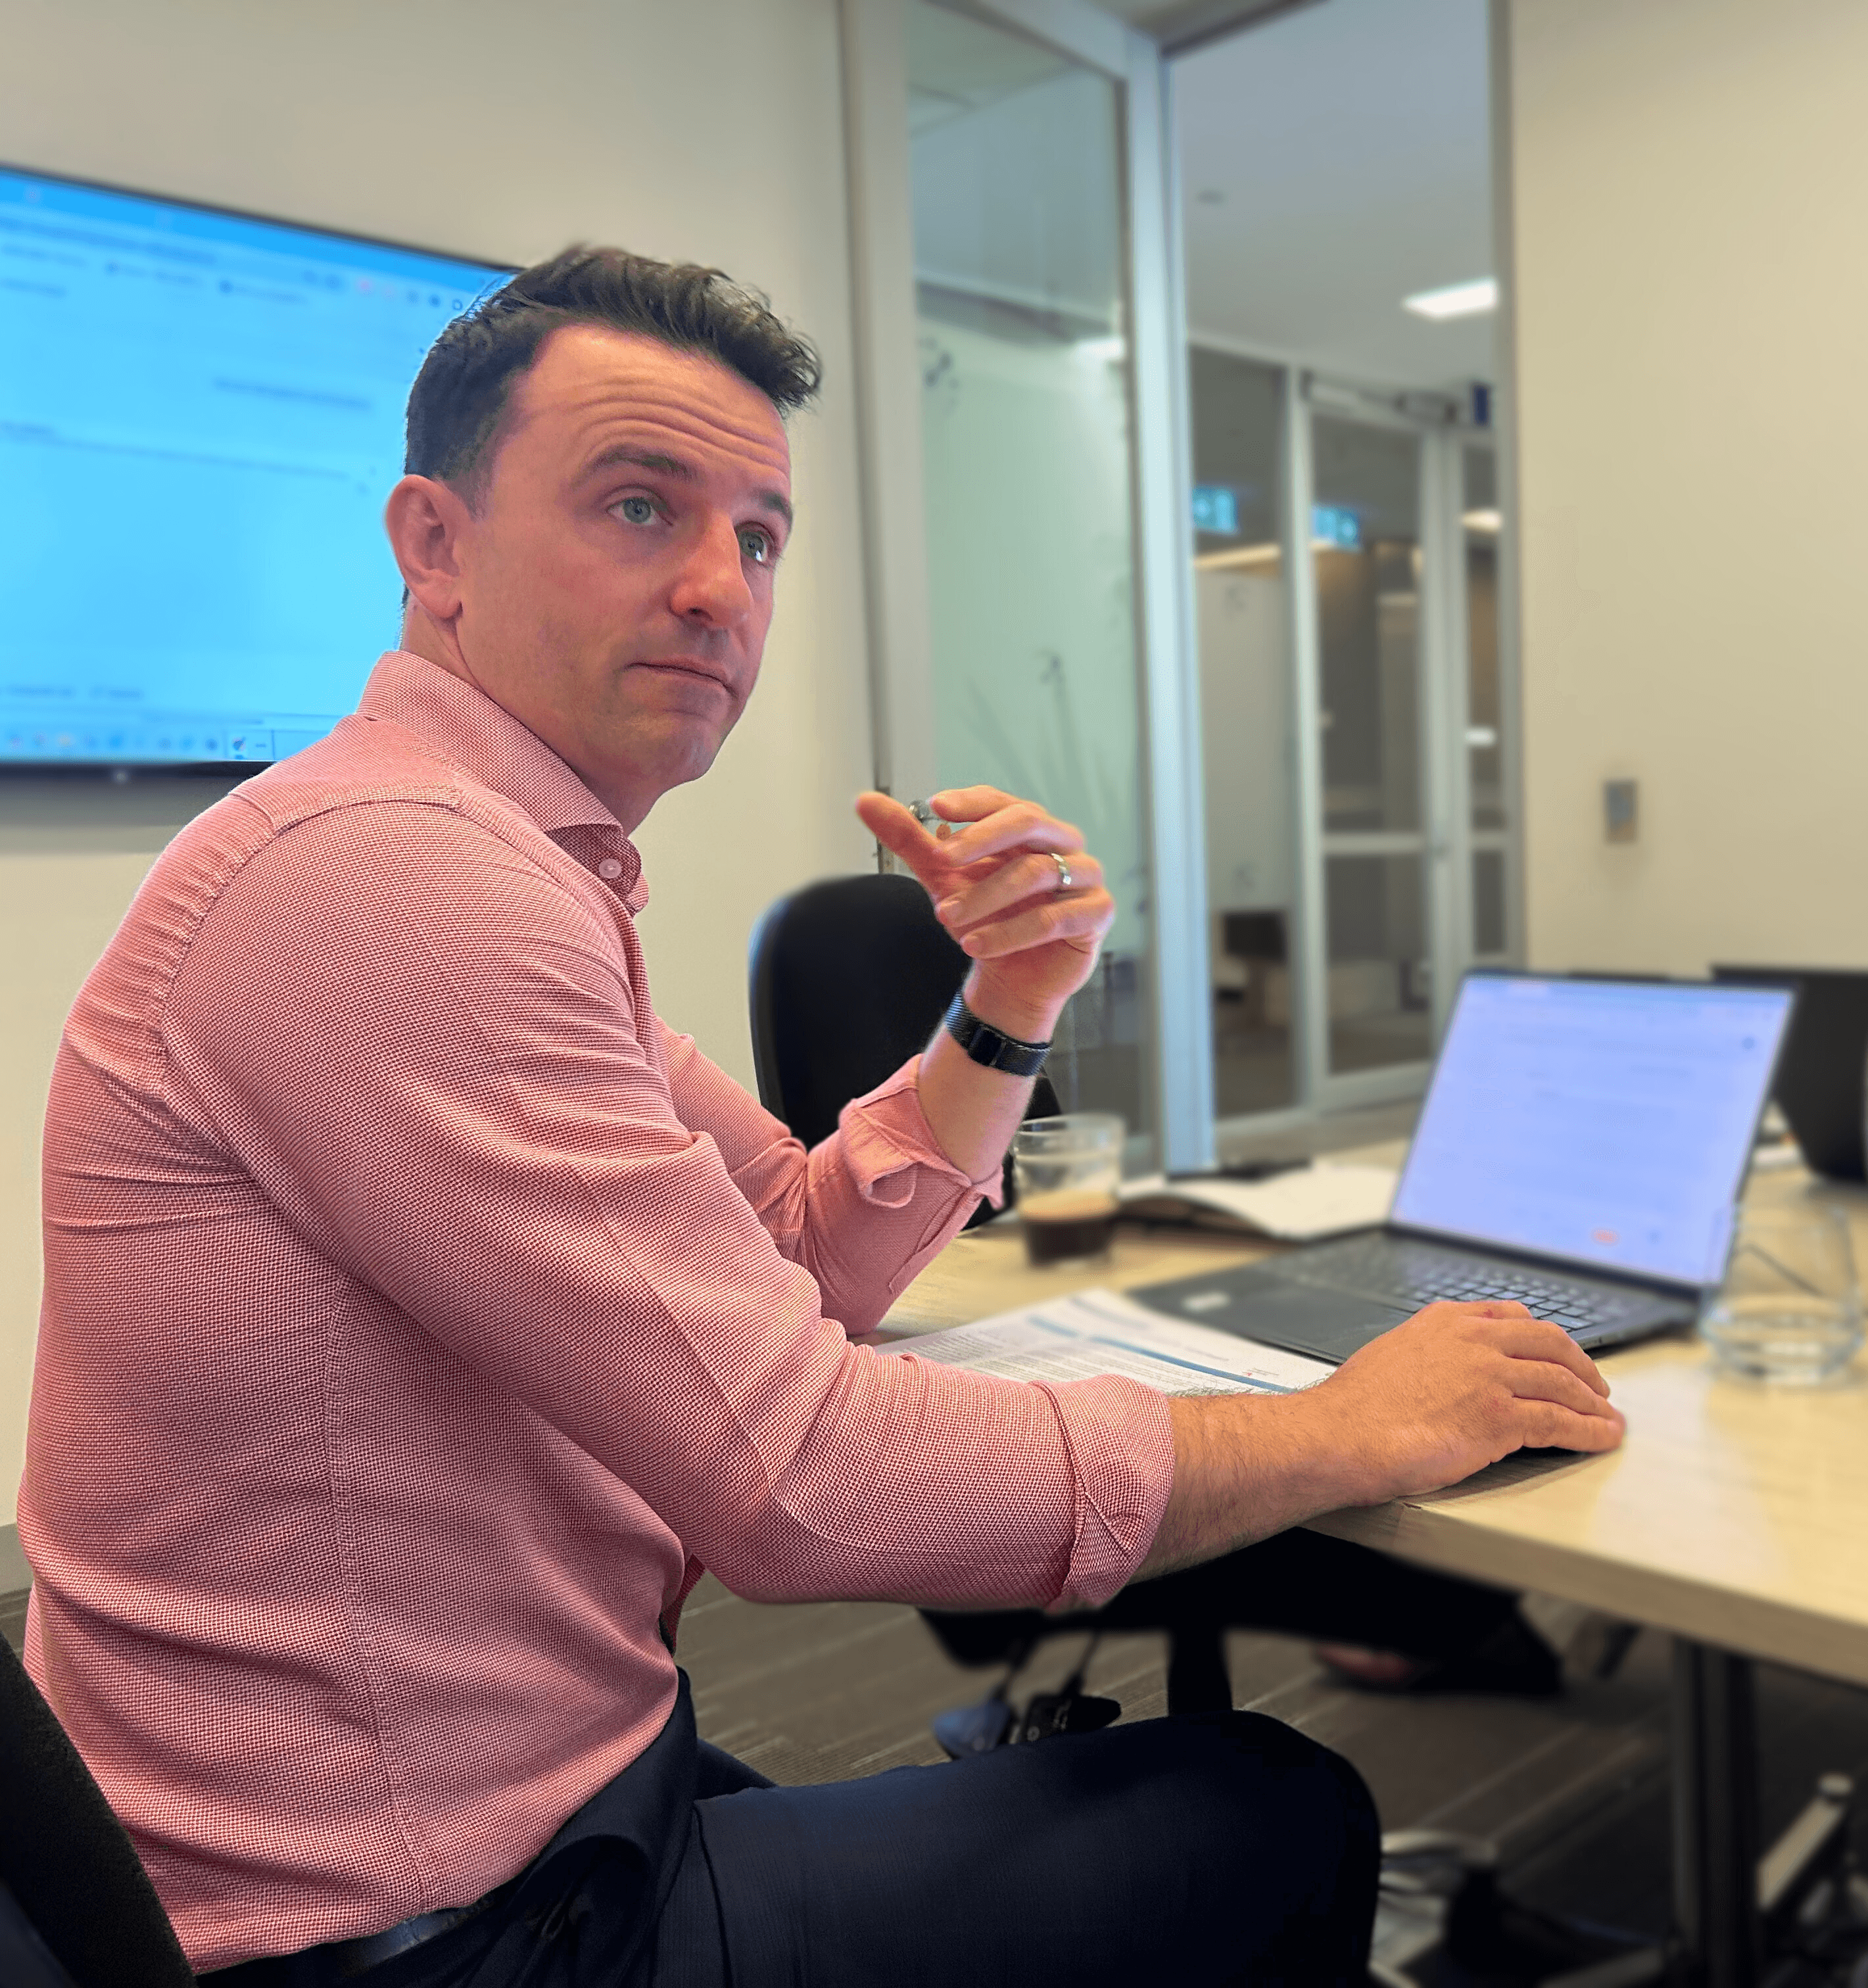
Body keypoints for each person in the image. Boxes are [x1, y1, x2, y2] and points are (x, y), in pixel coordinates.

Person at [22, 246, 1625, 1987]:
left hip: (491, 1799)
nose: (722, 587)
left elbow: (790, 1249)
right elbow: (796, 1478)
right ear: (436, 546)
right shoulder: (395, 883)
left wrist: (1010, 1000)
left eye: (760, 535)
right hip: (408, 1925)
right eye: (640, 506)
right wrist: (1345, 1428)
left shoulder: (504, 873)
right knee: (1269, 1808)